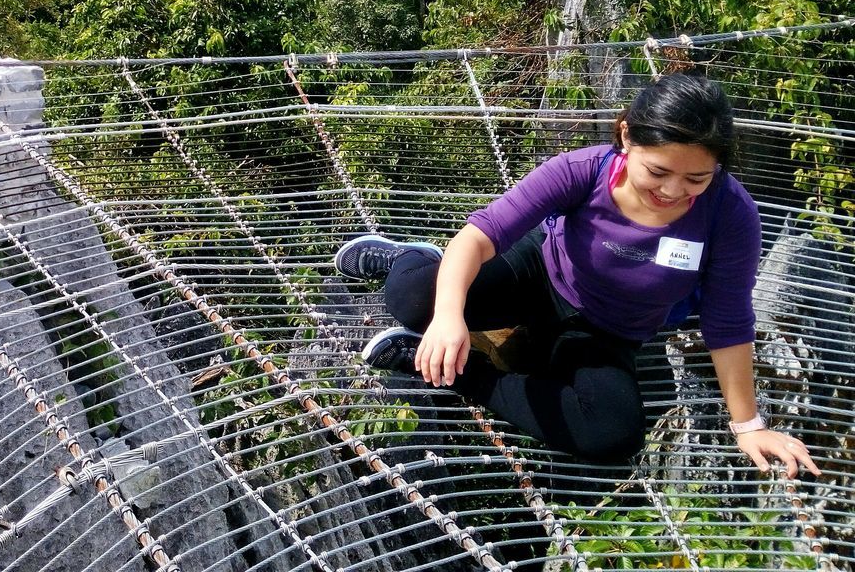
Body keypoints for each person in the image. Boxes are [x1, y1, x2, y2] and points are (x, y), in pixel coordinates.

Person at [336, 72, 820, 478]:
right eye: (658, 171)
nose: (674, 191)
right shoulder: (583, 170)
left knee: (611, 434)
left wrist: (748, 425)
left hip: (608, 328)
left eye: (697, 178)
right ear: (627, 136)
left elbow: (727, 320)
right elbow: (478, 237)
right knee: (413, 295)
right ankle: (409, 257)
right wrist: (447, 316)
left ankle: (465, 377)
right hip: (540, 274)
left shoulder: (730, 215)